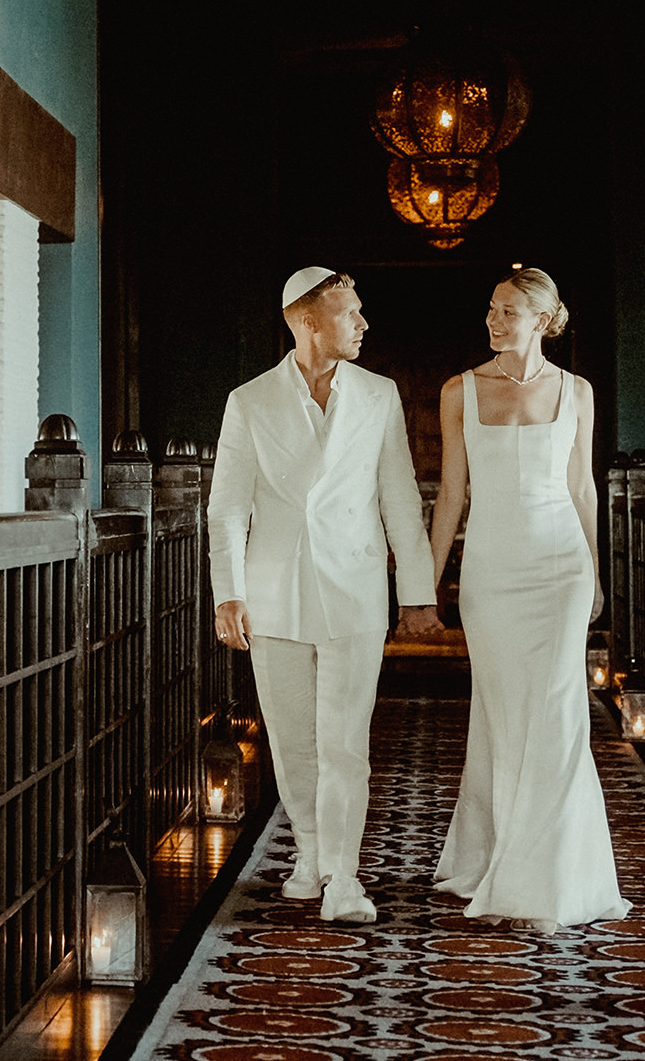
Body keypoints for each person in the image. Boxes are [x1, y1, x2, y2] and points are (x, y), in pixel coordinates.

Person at [208, 266, 440, 923]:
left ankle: (343, 875)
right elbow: (226, 507)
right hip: (273, 590)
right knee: (292, 739)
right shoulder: (249, 401)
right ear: (308, 321)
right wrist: (229, 592)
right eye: (350, 313)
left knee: (344, 740)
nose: (364, 323)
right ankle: (310, 853)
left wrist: (415, 592)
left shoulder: (379, 394)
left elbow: (400, 498)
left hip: (354, 586)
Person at [429, 266, 631, 933]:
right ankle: (489, 853)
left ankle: (549, 878)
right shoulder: (458, 392)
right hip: (490, 569)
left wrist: (596, 572)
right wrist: (423, 583)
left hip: (559, 567)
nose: (493, 320)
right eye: (490, 308)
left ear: (542, 321)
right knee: (499, 710)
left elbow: (583, 490)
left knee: (557, 710)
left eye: (508, 310)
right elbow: (453, 495)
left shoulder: (577, 392)